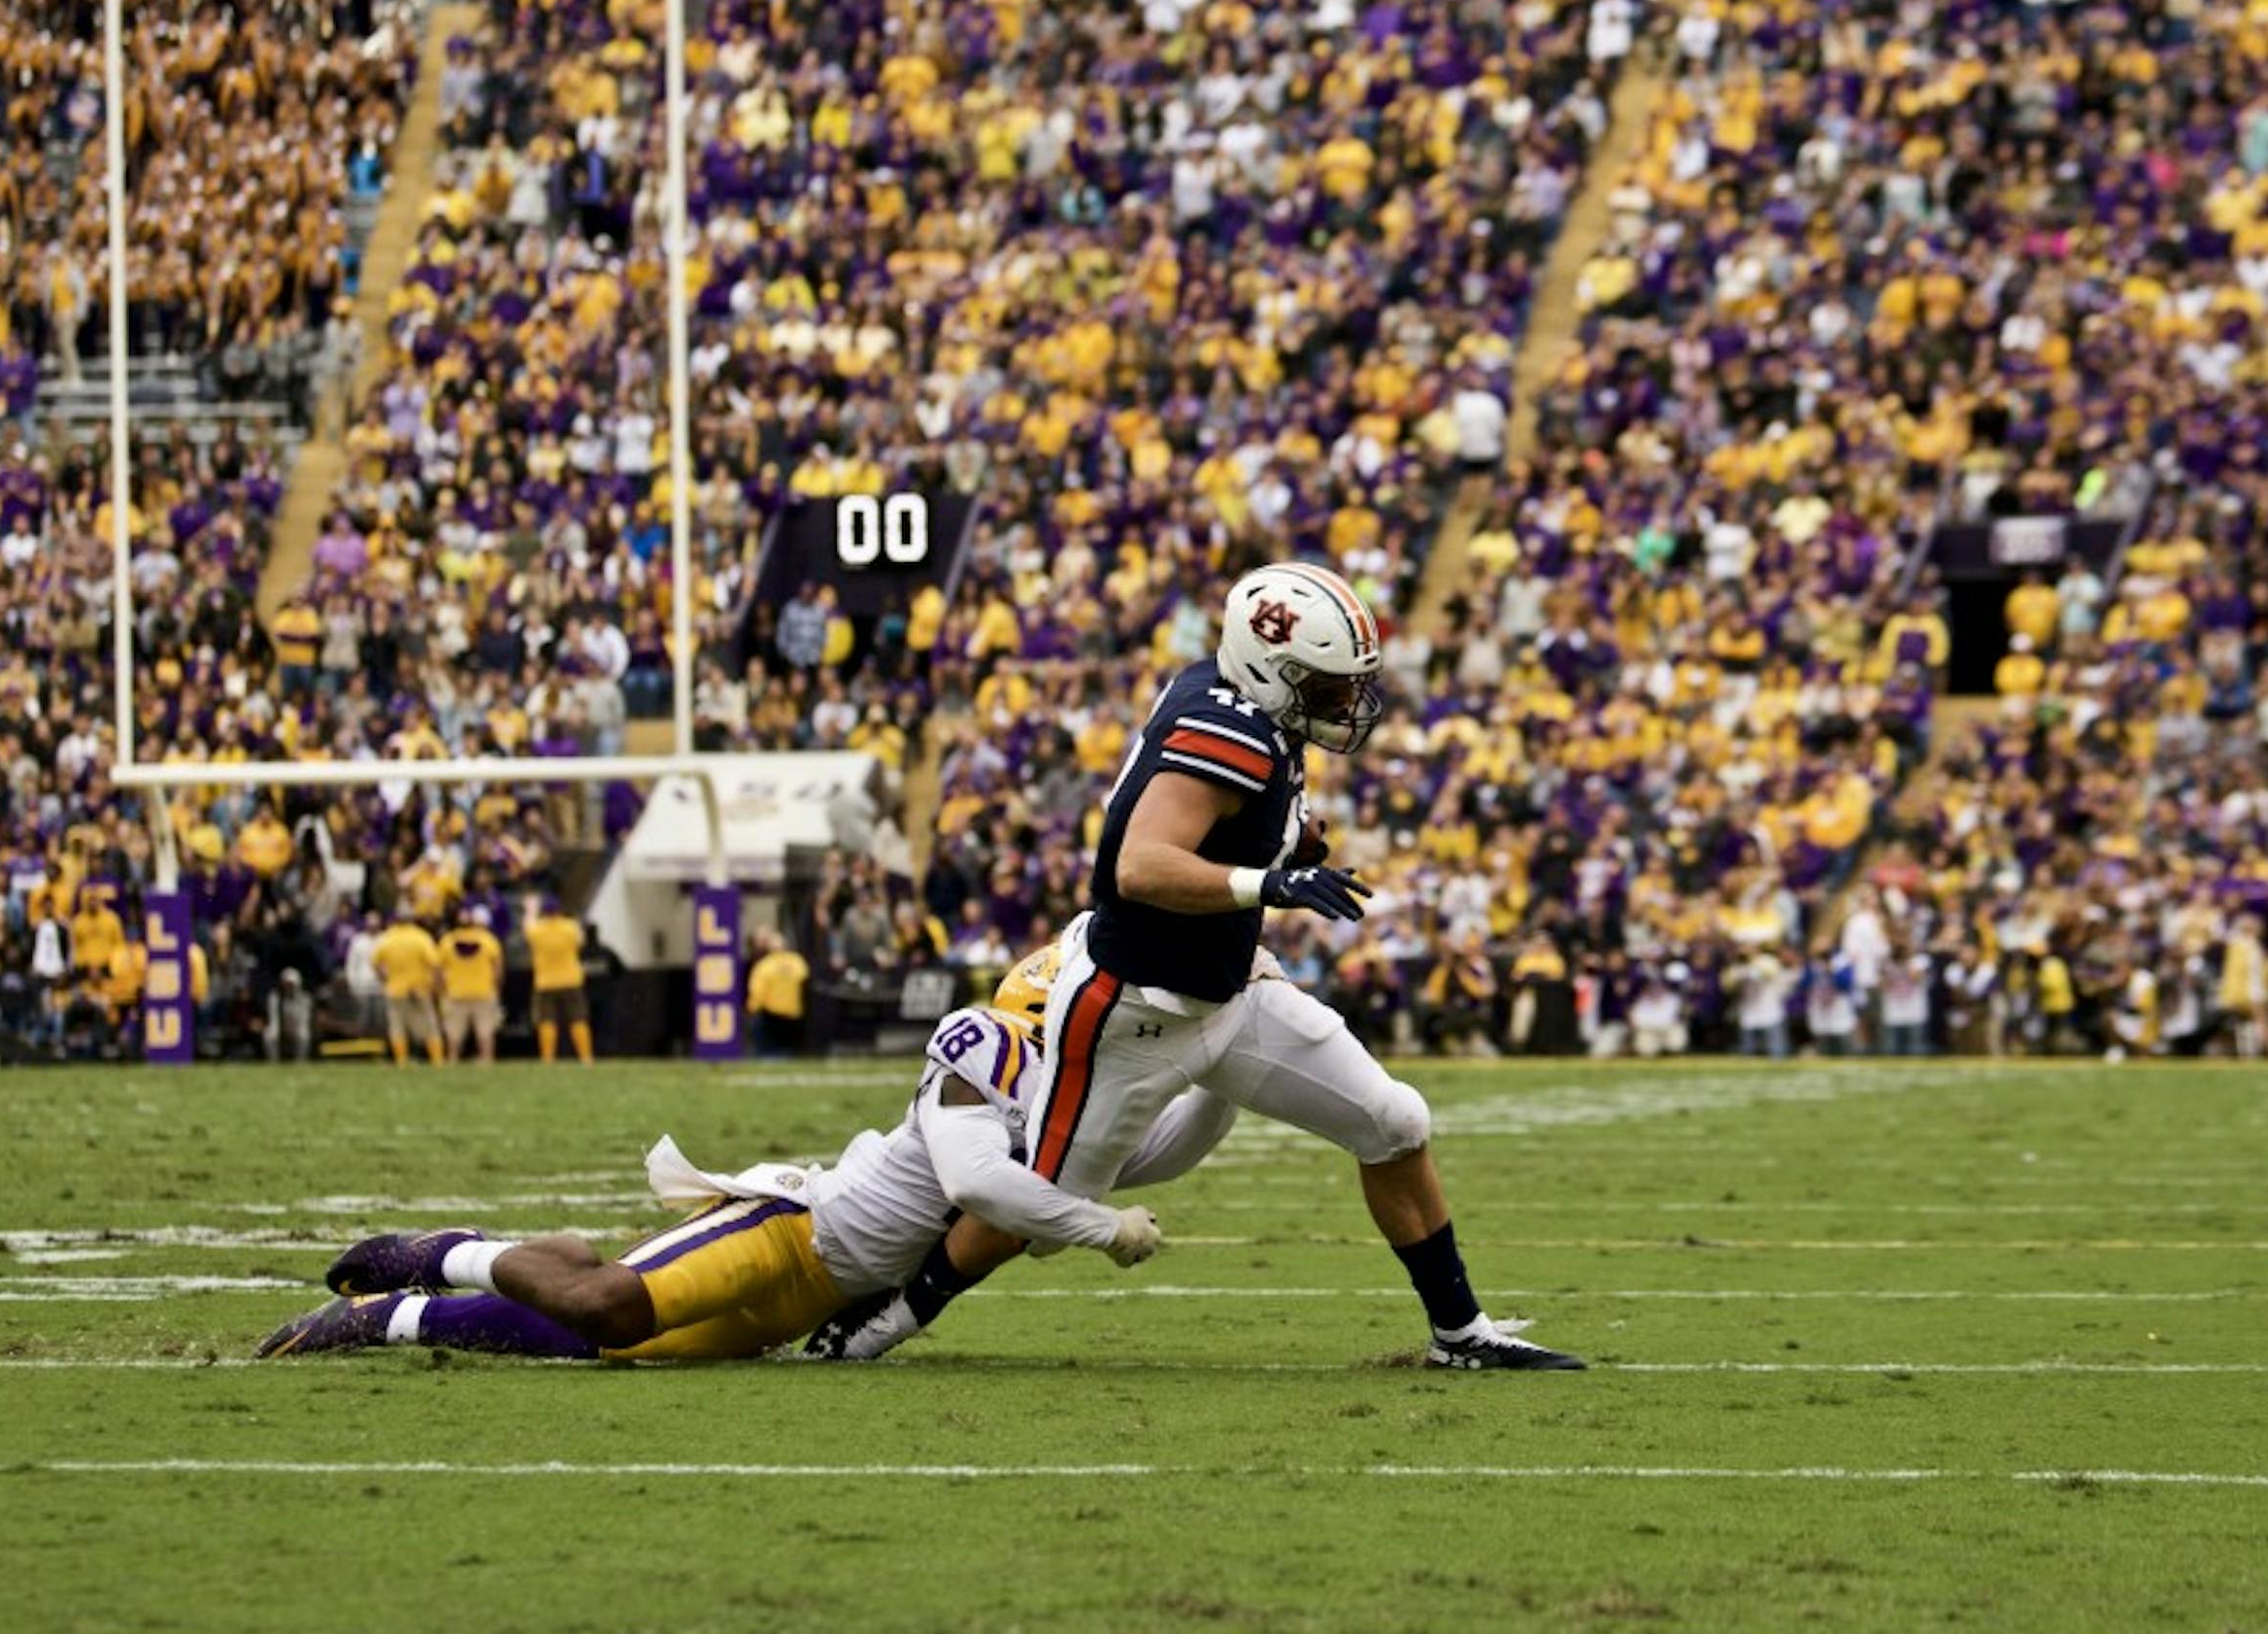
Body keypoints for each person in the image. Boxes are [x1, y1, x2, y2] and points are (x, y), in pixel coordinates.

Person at [813, 564, 1580, 1372]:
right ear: (1268, 668)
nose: (1339, 703)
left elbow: (1233, 817)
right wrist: (1268, 884)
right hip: (1131, 1012)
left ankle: (1460, 1334)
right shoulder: (1230, 733)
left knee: (1394, 1125)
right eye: (1322, 685)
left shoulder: (1236, 698)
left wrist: (1287, 846)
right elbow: (1141, 866)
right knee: (1040, 1213)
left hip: (1232, 994)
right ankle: (892, 1315)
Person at [255, 955, 1224, 1360]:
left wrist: (1228, 1058)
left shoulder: (1072, 1108)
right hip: (790, 1232)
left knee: (609, 1342)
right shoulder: (985, 1048)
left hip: (814, 1297)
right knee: (605, 1302)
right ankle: (442, 1258)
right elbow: (980, 1183)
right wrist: (1100, 1228)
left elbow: (1168, 1148)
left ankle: (390, 1320)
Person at [524, 893, 591, 1063]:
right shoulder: (570, 926)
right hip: (571, 979)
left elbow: (527, 926)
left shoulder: (537, 929)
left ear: (544, 912)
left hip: (545, 982)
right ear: (559, 910)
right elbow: (581, 942)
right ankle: (586, 1057)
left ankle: (548, 1058)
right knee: (578, 1018)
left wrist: (531, 909)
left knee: (546, 1020)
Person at [372, 915, 444, 1066]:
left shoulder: (387, 938)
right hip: (419, 989)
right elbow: (435, 964)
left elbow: (375, 963)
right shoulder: (421, 937)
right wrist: (435, 987)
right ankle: (436, 1060)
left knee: (397, 1026)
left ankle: (401, 1060)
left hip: (395, 989)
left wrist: (385, 979)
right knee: (429, 1026)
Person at [440, 907, 505, 1063]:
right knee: (485, 1032)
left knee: (454, 1034)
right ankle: (487, 1059)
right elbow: (498, 969)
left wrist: (441, 991)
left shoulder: (447, 941)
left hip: (456, 992)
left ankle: (453, 1059)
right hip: (483, 991)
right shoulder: (488, 940)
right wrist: (497, 989)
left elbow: (439, 971)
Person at [747, 925, 809, 1054]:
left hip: (772, 1015)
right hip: (792, 1014)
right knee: (787, 1052)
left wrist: (751, 1010)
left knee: (769, 1051)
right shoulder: (797, 961)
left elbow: (757, 994)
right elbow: (804, 978)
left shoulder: (764, 966)